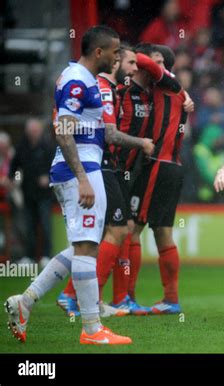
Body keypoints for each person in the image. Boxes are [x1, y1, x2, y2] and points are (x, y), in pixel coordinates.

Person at [5, 25, 136, 344]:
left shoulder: (81, 78)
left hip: (81, 169)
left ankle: (25, 302)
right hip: (81, 170)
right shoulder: (77, 80)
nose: (119, 56)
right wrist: (82, 179)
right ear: (99, 52)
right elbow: (63, 129)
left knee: (81, 245)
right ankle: (91, 328)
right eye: (116, 51)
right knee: (87, 248)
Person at [56, 44, 167, 317]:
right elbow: (108, 133)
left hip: (110, 167)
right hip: (99, 168)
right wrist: (141, 143)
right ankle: (79, 297)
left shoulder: (110, 88)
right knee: (112, 232)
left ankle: (113, 298)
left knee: (115, 231)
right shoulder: (102, 88)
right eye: (128, 62)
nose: (132, 68)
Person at [129, 44, 194, 315]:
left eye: (156, 63)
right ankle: (171, 299)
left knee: (132, 228)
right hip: (170, 166)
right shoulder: (169, 90)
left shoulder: (167, 80)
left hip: (158, 165)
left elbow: (147, 62)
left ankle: (125, 297)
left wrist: (124, 56)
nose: (145, 67)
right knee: (162, 231)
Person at [8, 119, 54, 264]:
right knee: (29, 226)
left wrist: (48, 176)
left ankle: (46, 255)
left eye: (35, 131)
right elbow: (15, 167)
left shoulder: (48, 145)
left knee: (45, 225)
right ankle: (29, 256)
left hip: (44, 194)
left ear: (40, 131)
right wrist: (15, 179)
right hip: (27, 192)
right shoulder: (22, 146)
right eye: (30, 131)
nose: (33, 134)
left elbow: (55, 166)